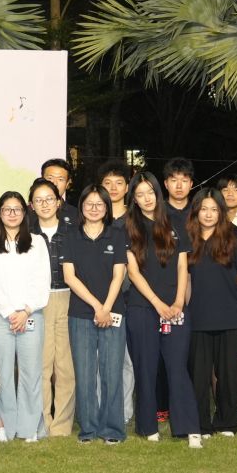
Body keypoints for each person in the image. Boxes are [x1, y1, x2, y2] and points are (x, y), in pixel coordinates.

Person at [0, 189, 52, 443]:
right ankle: (5, 427)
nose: (12, 213)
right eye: (7, 209)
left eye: (17, 209)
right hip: (1, 318)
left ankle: (30, 428)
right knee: (2, 374)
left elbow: (42, 281)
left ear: (25, 213)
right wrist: (10, 312)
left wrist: (26, 310)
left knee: (31, 373)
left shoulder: (37, 242)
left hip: (31, 315)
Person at [123, 174, 192, 443]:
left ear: (157, 193)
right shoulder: (127, 227)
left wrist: (178, 302)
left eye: (150, 192)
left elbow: (182, 266)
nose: (146, 198)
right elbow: (133, 272)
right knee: (146, 367)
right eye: (140, 194)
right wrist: (157, 303)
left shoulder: (176, 223)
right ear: (134, 199)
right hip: (143, 307)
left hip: (175, 307)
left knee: (177, 367)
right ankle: (147, 427)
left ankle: (185, 425)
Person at [60, 184, 127, 444]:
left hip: (113, 313)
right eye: (89, 204)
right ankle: (87, 429)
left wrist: (106, 308)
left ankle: (112, 429)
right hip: (80, 313)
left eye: (100, 204)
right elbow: (70, 277)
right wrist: (97, 307)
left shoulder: (117, 234)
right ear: (82, 207)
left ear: (107, 208)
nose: (94, 208)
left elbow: (119, 275)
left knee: (112, 372)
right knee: (85, 373)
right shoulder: (70, 235)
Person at [185, 189, 237, 444]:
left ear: (221, 212)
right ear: (196, 212)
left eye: (214, 209)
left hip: (229, 315)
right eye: (204, 209)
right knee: (199, 375)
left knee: (228, 373)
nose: (209, 214)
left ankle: (226, 421)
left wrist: (229, 287)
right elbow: (184, 276)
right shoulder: (188, 240)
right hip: (198, 317)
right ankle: (201, 423)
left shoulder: (232, 238)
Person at [29, 178, 78, 437]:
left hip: (69, 298)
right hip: (39, 302)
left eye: (50, 199)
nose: (45, 204)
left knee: (66, 367)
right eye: (39, 200)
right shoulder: (26, 234)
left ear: (59, 202)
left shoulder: (73, 231)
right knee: (42, 365)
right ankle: (43, 422)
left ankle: (62, 424)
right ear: (31, 205)